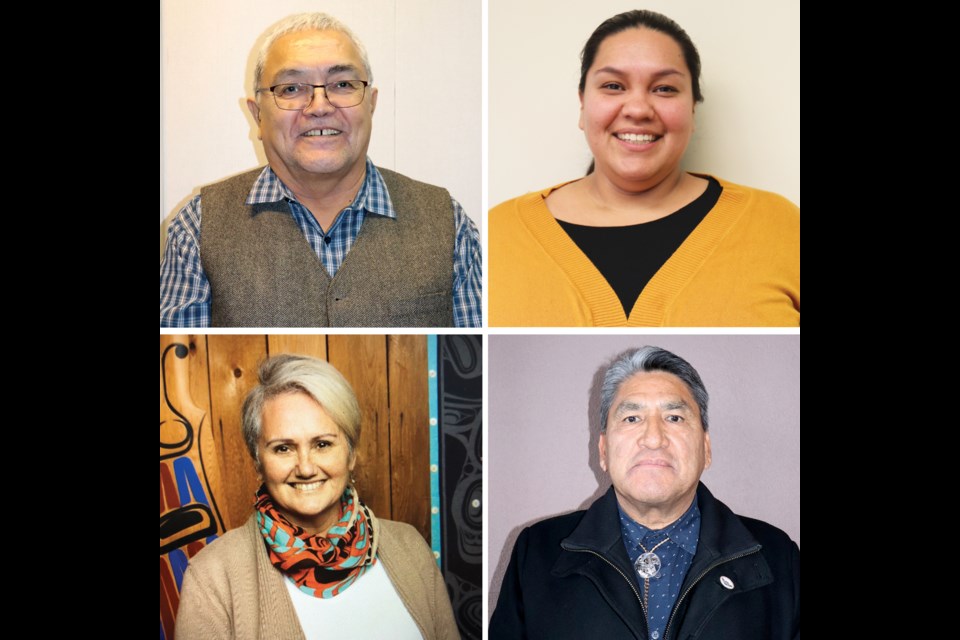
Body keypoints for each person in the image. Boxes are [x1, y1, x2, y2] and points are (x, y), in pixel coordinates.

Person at [160, 12, 481, 328]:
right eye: (290, 89)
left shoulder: (449, 224)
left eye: (342, 84)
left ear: (371, 103)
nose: (320, 106)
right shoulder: (197, 227)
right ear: (257, 115)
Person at [489, 10, 798, 327]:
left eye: (664, 88)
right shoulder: (496, 235)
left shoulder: (782, 225)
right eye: (613, 85)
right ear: (583, 104)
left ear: (692, 107)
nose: (637, 109)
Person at [490, 346, 799, 639]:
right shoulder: (536, 553)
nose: (653, 438)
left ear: (706, 448)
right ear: (603, 450)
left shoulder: (778, 556)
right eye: (632, 418)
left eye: (674, 418)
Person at [175, 354, 458, 639]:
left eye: (322, 444)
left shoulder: (410, 547)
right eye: (283, 448)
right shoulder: (212, 577)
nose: (306, 468)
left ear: (351, 454)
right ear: (258, 462)